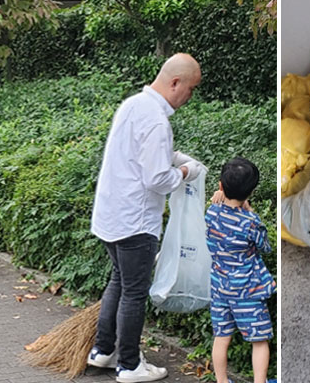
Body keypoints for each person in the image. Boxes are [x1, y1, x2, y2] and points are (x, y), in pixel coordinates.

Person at [88, 53, 203, 383]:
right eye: (190, 89)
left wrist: (173, 156)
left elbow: (137, 155)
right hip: (135, 221)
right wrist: (185, 170)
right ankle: (129, 365)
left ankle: (103, 350)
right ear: (175, 83)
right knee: (135, 292)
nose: (190, 96)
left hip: (111, 216)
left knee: (118, 282)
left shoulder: (133, 104)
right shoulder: (156, 120)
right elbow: (156, 179)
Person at [205, 158, 276, 383]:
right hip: (248, 291)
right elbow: (265, 246)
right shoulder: (250, 222)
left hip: (219, 288)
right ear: (251, 192)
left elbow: (217, 211)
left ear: (221, 186)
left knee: (221, 337)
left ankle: (222, 381)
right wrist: (250, 211)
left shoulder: (211, 213)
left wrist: (218, 199)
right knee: (259, 341)